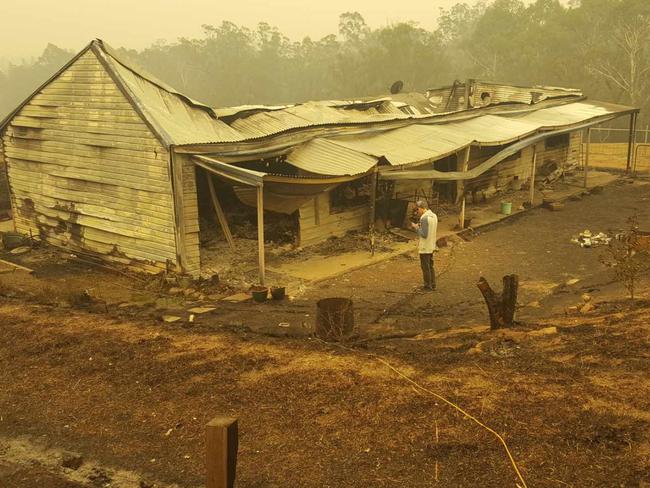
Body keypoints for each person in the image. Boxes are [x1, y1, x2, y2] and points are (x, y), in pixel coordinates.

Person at [410, 199, 438, 291]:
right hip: (431, 245)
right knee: (430, 265)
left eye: (417, 210)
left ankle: (427, 285)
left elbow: (424, 234)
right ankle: (433, 283)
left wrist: (416, 227)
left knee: (425, 267)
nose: (417, 212)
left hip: (425, 246)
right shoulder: (434, 216)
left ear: (421, 208)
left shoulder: (424, 218)